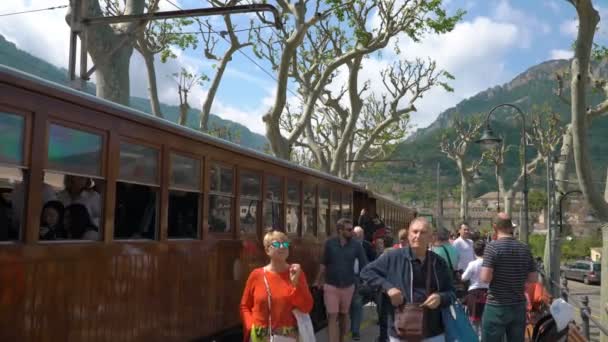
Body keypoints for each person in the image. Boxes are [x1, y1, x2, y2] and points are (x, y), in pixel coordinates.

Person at [361, 217, 455, 342]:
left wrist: (440, 298)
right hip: (400, 330)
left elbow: (451, 293)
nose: (418, 236)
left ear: (431, 238)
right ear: (408, 235)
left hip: (433, 332)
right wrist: (388, 288)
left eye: (423, 232)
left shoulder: (439, 263)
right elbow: (366, 272)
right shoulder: (393, 257)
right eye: (414, 232)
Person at [240, 230, 313, 342]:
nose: (282, 247)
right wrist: (250, 327)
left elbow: (307, 307)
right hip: (259, 337)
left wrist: (295, 284)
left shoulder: (297, 273)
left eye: (285, 244)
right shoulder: (256, 275)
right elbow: (244, 306)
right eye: (277, 244)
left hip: (287, 337)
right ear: (267, 250)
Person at [480, 213, 537, 342]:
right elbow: (533, 278)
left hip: (497, 306)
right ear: (511, 227)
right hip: (518, 306)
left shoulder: (492, 247)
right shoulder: (524, 248)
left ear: (495, 227)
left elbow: (485, 278)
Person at [314, 218, 368, 342]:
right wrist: (318, 280)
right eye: (349, 230)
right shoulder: (329, 244)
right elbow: (323, 263)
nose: (352, 232)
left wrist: (364, 279)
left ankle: (341, 339)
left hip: (348, 286)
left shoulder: (356, 246)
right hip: (331, 285)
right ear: (340, 230)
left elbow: (364, 263)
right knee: (332, 316)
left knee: (344, 315)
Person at [350, 226, 376, 340]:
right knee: (350, 305)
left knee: (357, 302)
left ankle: (355, 330)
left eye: (360, 235)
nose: (358, 238)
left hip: (360, 278)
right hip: (346, 278)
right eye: (356, 235)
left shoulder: (367, 246)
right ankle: (352, 326)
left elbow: (373, 262)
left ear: (363, 235)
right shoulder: (347, 245)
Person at [461, 240, 489, 336]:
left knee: (474, 322)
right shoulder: (489, 264)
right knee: (485, 322)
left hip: (474, 294)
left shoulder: (473, 264)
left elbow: (464, 278)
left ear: (474, 251)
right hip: (487, 294)